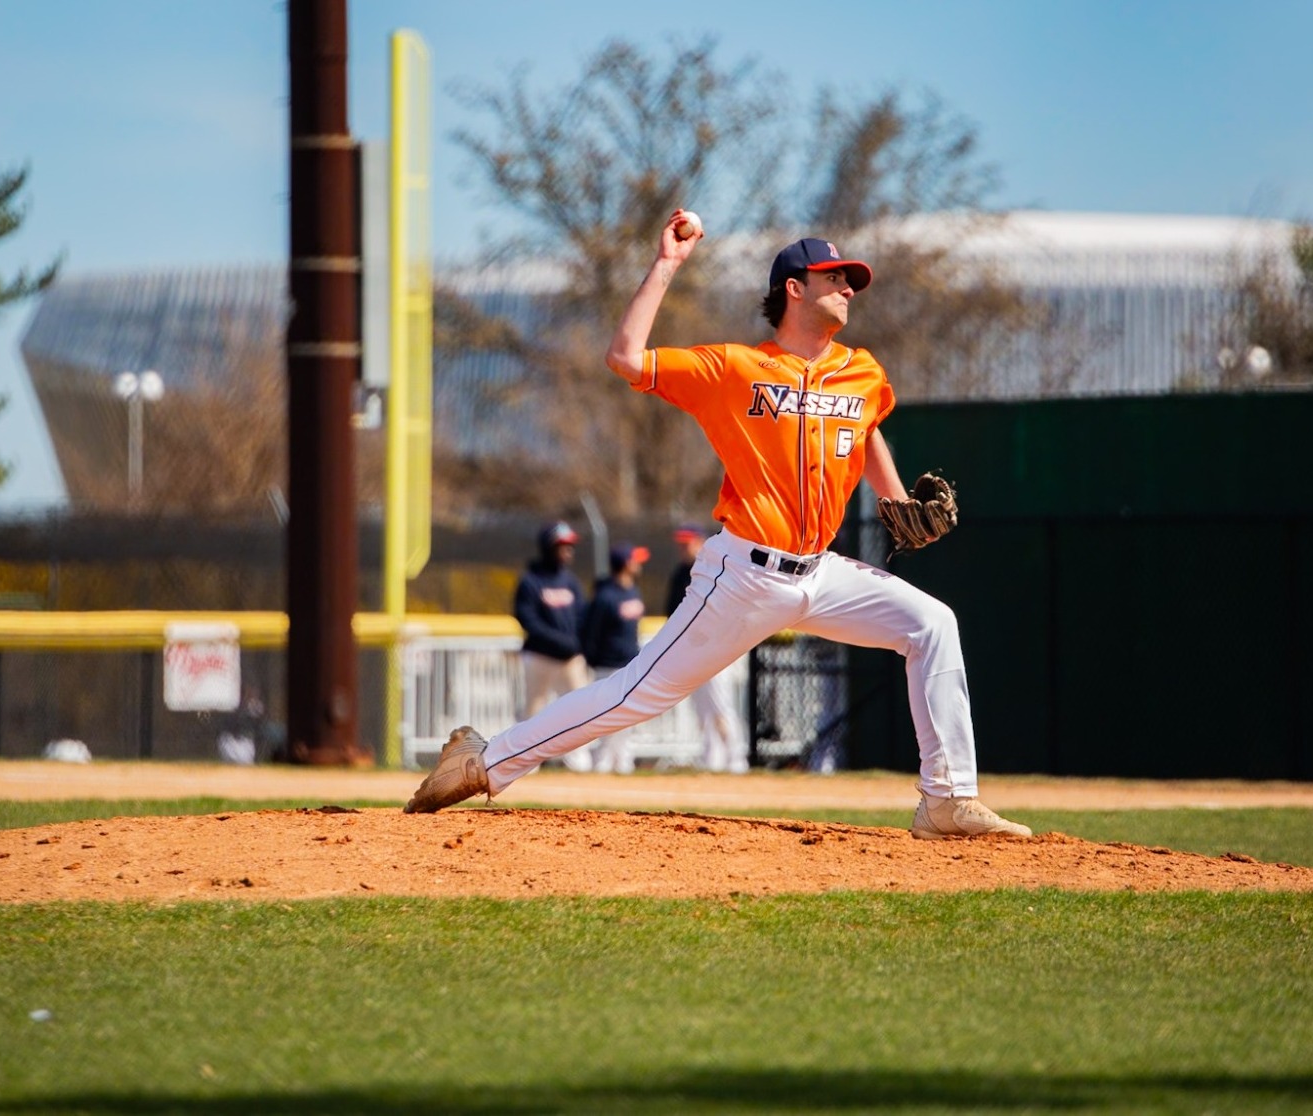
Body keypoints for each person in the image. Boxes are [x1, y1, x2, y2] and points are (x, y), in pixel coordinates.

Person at [408, 212, 1030, 840]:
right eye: (834, 277)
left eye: (850, 280)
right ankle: (484, 760)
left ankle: (947, 798)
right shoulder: (734, 368)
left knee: (932, 624)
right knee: (635, 695)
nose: (848, 288)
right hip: (744, 576)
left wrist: (895, 500)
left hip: (822, 572)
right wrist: (666, 265)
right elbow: (625, 357)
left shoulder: (862, 371)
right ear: (795, 288)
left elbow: (864, 428)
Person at [668, 523, 750, 774]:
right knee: (703, 709)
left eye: (688, 543)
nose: (683, 548)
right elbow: (672, 613)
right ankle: (712, 758)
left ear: (700, 542)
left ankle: (736, 757)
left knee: (721, 706)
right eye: (681, 544)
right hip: (691, 650)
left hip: (716, 649)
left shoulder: (714, 568)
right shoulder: (679, 574)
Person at [513, 521, 591, 766]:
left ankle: (577, 761)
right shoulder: (531, 581)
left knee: (580, 710)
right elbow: (528, 620)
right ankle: (528, 762)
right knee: (534, 710)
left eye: (570, 546)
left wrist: (577, 644)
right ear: (548, 547)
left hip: (570, 659)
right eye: (562, 546)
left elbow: (582, 616)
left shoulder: (570, 581)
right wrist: (560, 642)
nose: (568, 551)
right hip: (540, 656)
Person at [574, 542, 651, 775]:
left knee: (627, 718)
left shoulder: (633, 591)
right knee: (607, 716)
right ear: (625, 564)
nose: (639, 564)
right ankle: (602, 763)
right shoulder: (605, 596)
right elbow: (590, 632)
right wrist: (593, 660)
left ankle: (622, 762)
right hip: (607, 666)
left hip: (630, 664)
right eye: (635, 560)